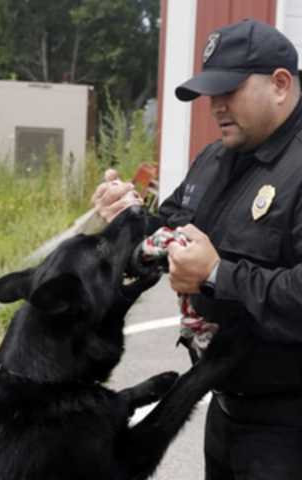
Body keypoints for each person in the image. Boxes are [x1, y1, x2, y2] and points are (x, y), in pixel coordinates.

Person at [93, 19, 302, 480]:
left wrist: (218, 275)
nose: (216, 107)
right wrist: (129, 220)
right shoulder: (215, 159)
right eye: (211, 94)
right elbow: (166, 230)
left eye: (228, 90)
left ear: (281, 84)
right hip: (224, 409)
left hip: (288, 428)